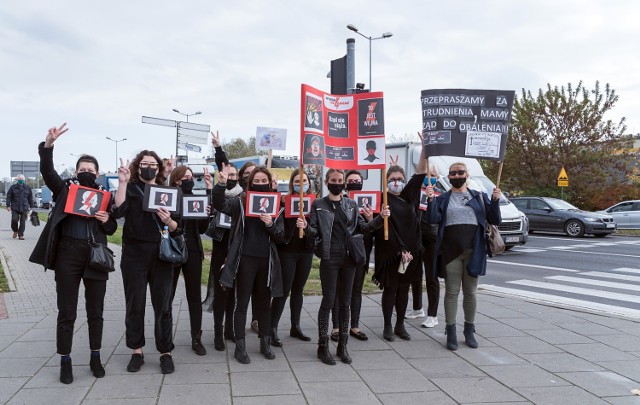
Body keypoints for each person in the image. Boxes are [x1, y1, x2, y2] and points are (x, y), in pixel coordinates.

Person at [29, 123, 117, 384]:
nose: (86, 172)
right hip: (68, 255)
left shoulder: (105, 196)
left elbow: (112, 229)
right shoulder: (65, 190)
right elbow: (48, 171)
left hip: (96, 257)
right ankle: (65, 360)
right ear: (76, 173)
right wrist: (48, 146)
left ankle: (95, 356)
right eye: (82, 170)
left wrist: (105, 219)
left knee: (96, 311)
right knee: (67, 311)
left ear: (98, 174)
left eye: (91, 170)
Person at [303, 168, 389, 365]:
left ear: (344, 182)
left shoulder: (351, 204)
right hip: (329, 256)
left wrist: (379, 218)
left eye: (340, 180)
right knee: (328, 300)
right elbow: (314, 233)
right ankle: (322, 346)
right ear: (327, 182)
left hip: (349, 257)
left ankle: (343, 345)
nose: (337, 182)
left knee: (345, 302)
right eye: (333, 180)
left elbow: (363, 228)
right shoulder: (319, 204)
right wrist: (305, 227)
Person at [113, 150, 178, 374]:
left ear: (158, 168)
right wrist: (122, 182)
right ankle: (136, 351)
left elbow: (178, 227)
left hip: (161, 255)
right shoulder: (130, 188)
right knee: (135, 305)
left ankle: (165, 351)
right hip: (134, 255)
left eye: (152, 164)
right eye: (143, 164)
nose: (147, 167)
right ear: (137, 167)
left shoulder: (167, 191)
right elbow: (119, 210)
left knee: (163, 306)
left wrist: (168, 219)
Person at [425, 162, 502, 350]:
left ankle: (469, 330)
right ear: (449, 177)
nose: (457, 175)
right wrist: (430, 200)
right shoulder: (443, 198)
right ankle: (450, 330)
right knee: (451, 292)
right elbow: (432, 219)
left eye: (460, 172)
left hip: (474, 251)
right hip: (451, 252)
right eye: (453, 173)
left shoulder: (479, 197)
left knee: (470, 292)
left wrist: (496, 200)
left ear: (467, 174)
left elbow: (495, 219)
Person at [213, 164, 285, 364]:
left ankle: (265, 343)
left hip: (266, 261)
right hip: (245, 259)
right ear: (250, 182)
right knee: (241, 303)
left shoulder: (277, 204)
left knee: (263, 304)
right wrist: (221, 184)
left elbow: (280, 237)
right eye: (257, 181)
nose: (260, 184)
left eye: (264, 181)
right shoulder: (240, 202)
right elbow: (219, 204)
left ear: (270, 183)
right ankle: (240, 347)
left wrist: (270, 224)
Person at [372, 161, 426, 342]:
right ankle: (387, 325)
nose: (396, 182)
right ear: (386, 181)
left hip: (411, 253)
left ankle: (400, 324)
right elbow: (379, 229)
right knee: (390, 289)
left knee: (404, 289)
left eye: (400, 179)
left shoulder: (409, 196)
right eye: (392, 179)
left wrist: (425, 149)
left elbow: (420, 174)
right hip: (391, 253)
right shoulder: (381, 199)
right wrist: (398, 249)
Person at [202, 133, 241, 351]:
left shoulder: (242, 195)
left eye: (235, 174)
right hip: (220, 245)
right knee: (220, 289)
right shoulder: (220, 192)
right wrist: (218, 148)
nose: (231, 177)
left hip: (237, 246)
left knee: (233, 289)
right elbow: (223, 166)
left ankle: (229, 330)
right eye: (229, 174)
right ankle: (218, 331)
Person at [168, 165, 212, 356]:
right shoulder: (170, 197)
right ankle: (165, 335)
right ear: (177, 180)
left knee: (194, 296)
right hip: (172, 249)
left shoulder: (197, 198)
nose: (190, 179)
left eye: (191, 177)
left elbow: (202, 229)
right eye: (185, 177)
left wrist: (206, 213)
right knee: (166, 296)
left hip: (193, 250)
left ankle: (196, 337)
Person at [269, 169, 315, 347]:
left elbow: (317, 227)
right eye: (297, 181)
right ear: (291, 183)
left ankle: (295, 326)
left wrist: (307, 225)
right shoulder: (284, 201)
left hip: (306, 251)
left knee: (298, 289)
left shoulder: (313, 202)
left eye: (304, 181)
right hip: (287, 251)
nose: (301, 184)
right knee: (283, 290)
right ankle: (272, 328)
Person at [406, 168, 443, 329]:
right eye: (427, 176)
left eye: (433, 176)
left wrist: (431, 198)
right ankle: (417, 308)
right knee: (415, 274)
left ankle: (433, 315)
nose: (430, 179)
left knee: (431, 277)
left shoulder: (441, 195)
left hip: (432, 239)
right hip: (415, 238)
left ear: (438, 178)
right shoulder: (415, 193)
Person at [6, 174, 33, 240]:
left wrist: (31, 207)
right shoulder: (13, 187)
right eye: (19, 179)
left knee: (23, 221)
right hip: (15, 207)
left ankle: (21, 235)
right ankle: (15, 231)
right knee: (14, 220)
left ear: (24, 180)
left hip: (24, 207)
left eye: (22, 179)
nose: (21, 180)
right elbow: (9, 197)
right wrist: (8, 205)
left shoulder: (27, 187)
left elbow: (30, 198)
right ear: (17, 180)